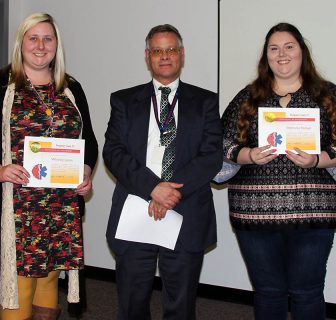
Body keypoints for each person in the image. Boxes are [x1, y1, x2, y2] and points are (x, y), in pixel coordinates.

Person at [0, 12, 98, 320]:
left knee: (49, 276)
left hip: (60, 207)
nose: (40, 45)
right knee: (19, 283)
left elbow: (88, 139)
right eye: (32, 38)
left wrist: (86, 171)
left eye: (47, 38)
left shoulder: (71, 88)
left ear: (56, 45)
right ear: (21, 43)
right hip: (14, 207)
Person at [221, 22, 336, 320]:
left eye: (289, 46)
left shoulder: (327, 94)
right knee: (268, 292)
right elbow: (220, 142)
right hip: (255, 214)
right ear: (266, 57)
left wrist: (318, 160)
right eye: (274, 48)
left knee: (307, 292)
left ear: (302, 52)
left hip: (312, 213)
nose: (281, 54)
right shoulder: (248, 97)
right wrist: (247, 155)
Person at [103, 24, 223, 320]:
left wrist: (169, 191)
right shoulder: (123, 100)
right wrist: (153, 188)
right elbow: (113, 152)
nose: (164, 56)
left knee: (180, 306)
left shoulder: (206, 101)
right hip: (136, 211)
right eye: (157, 50)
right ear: (148, 56)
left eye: (171, 49)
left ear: (181, 55)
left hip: (186, 211)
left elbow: (211, 156)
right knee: (131, 303)